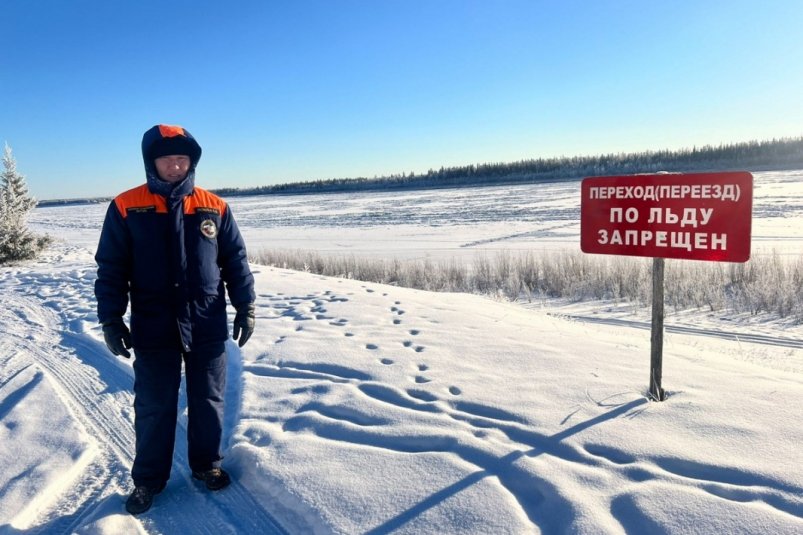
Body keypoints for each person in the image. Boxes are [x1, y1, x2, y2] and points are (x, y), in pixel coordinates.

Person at [95, 124, 256, 515]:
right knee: (154, 405)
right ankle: (148, 480)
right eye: (168, 158)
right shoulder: (126, 206)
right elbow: (111, 268)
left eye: (183, 157)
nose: (176, 164)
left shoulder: (213, 206)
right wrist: (111, 319)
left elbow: (234, 260)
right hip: (154, 324)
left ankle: (207, 465)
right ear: (152, 162)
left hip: (206, 322)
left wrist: (246, 305)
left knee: (209, 400)